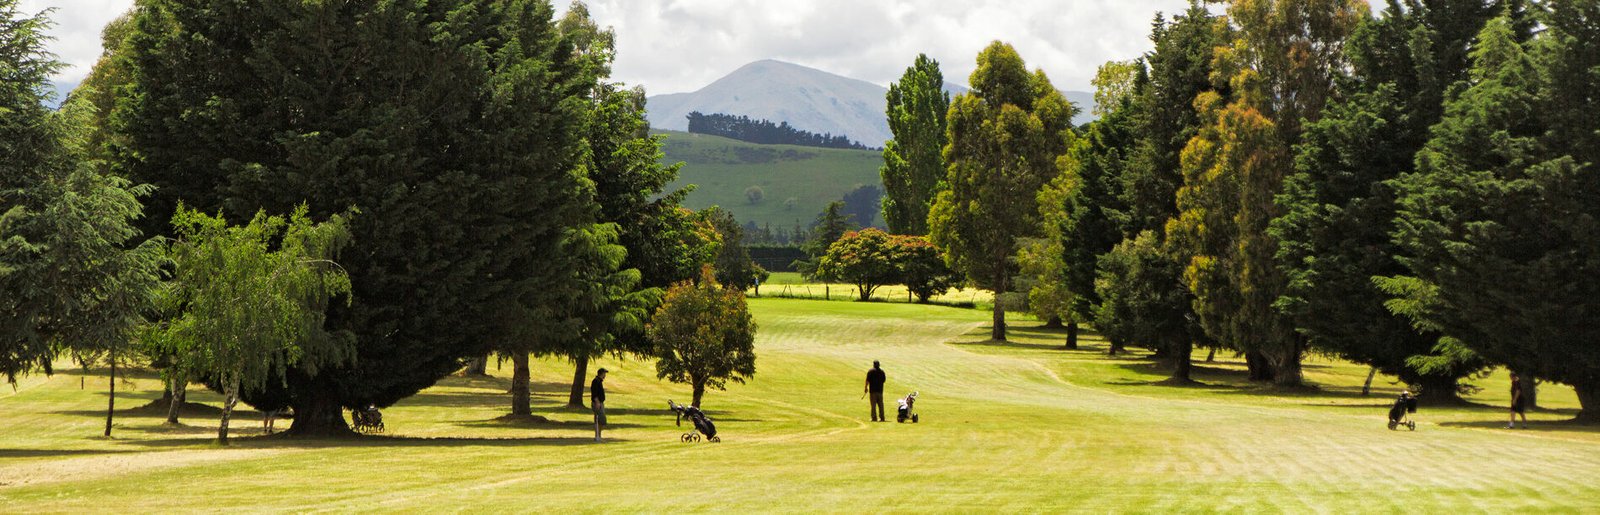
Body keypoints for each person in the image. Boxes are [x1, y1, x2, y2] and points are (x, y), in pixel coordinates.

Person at [592, 368, 608, 441]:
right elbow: (594, 393)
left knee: (600, 420)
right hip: (597, 403)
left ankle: (598, 435)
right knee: (601, 419)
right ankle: (597, 436)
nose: (605, 375)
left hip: (600, 402)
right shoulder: (596, 381)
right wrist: (597, 402)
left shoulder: (599, 381)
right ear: (601, 373)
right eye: (604, 373)